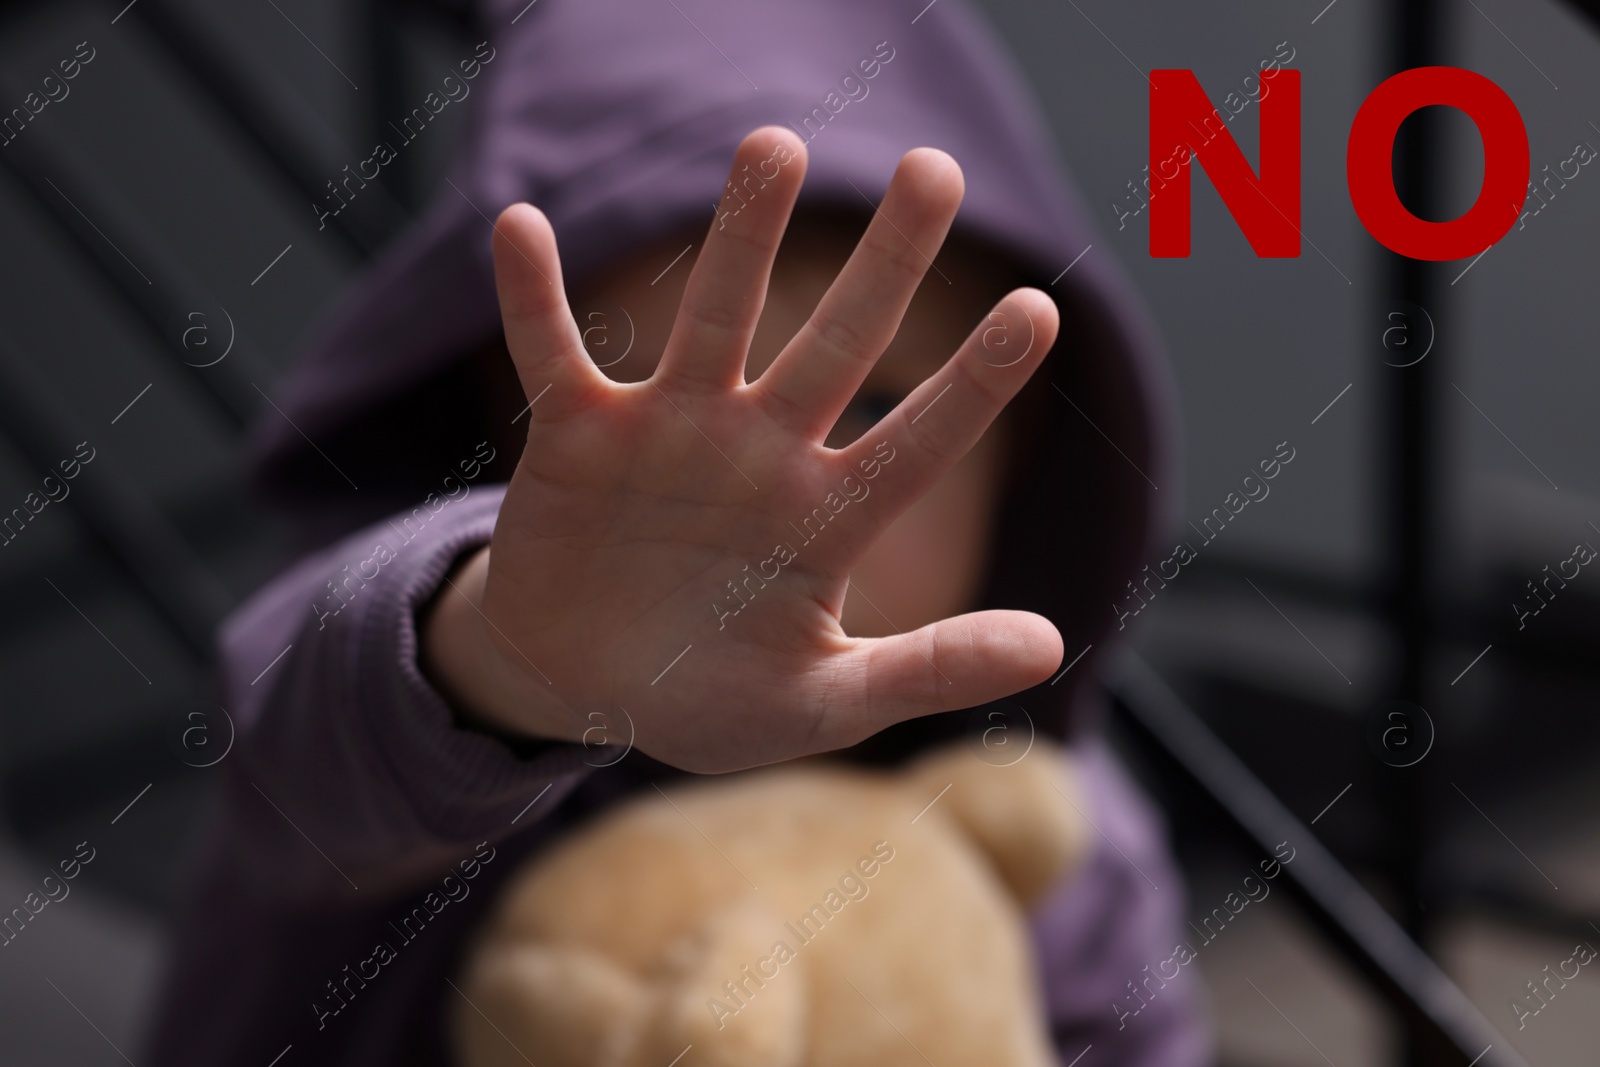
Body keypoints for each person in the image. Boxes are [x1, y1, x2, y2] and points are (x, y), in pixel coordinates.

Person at [143, 0, 1207, 1063]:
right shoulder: (411, 717)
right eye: (653, 397)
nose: (774, 490)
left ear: (1019, 460)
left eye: (877, 405)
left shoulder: (1058, 830)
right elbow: (293, 781)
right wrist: (512, 659)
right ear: (510, 425)